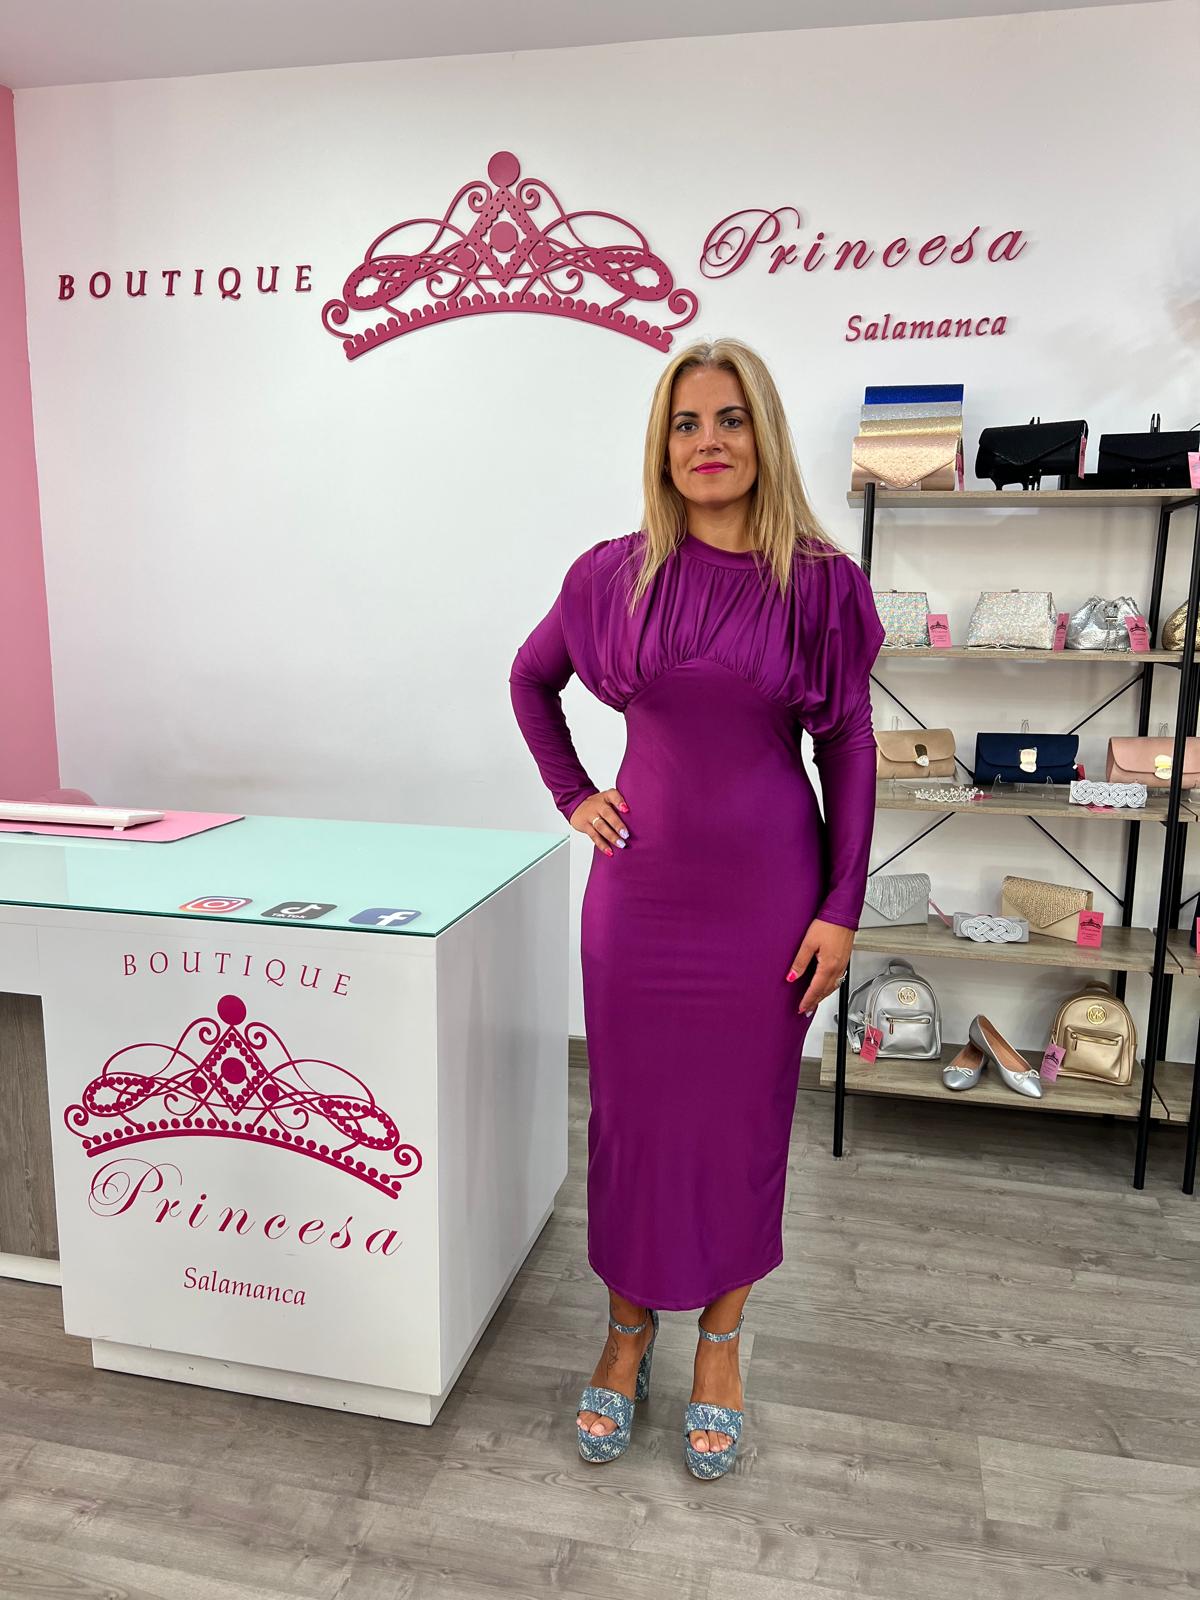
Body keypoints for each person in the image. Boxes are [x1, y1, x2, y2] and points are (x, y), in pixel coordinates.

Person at [508, 336, 885, 1480]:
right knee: (630, 1121)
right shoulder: (612, 576)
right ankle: (626, 1333)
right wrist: (574, 794)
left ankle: (721, 1343)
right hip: (640, 904)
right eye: (686, 422)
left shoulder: (820, 584)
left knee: (742, 1125)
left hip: (770, 904)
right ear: (661, 444)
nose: (707, 441)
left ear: (762, 435)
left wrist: (842, 904)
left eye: (729, 418)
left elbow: (849, 745)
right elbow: (530, 678)